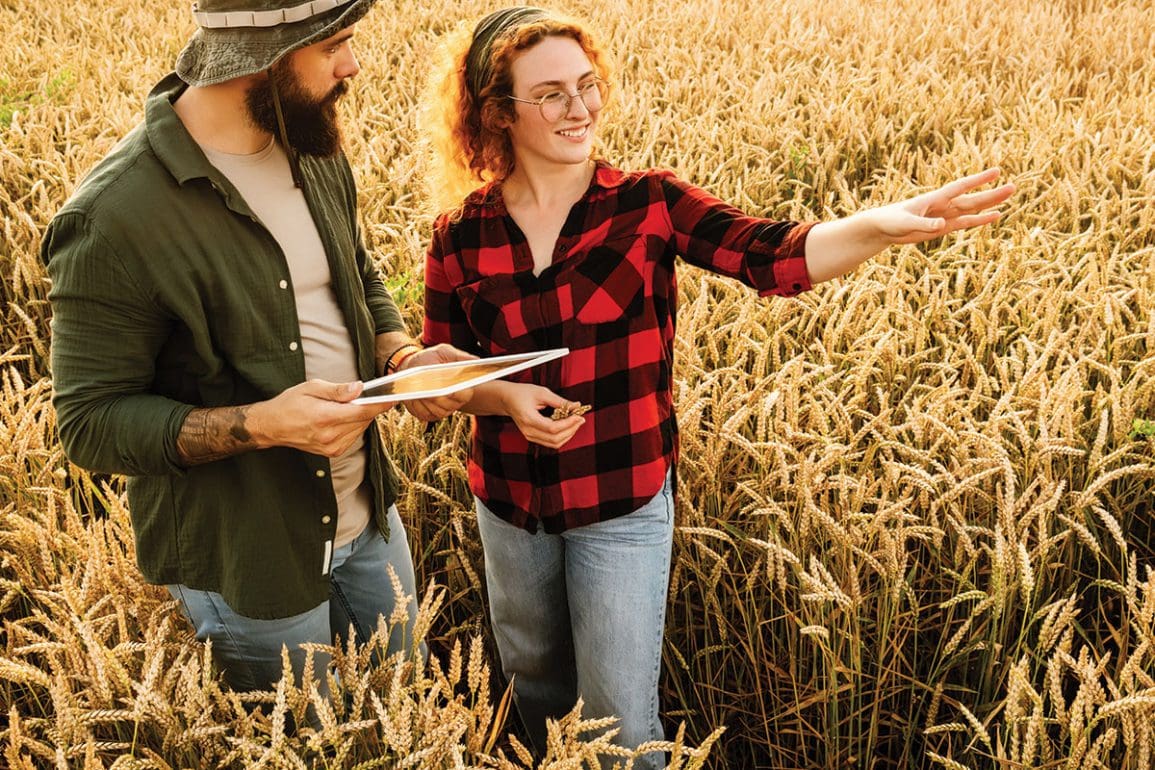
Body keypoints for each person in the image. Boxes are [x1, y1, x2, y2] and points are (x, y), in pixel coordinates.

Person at [419, 6, 1016, 768]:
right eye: (552, 94)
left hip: (620, 500)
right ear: (497, 113)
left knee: (622, 730)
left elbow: (769, 256)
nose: (580, 109)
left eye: (587, 85)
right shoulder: (459, 234)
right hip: (507, 503)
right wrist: (499, 399)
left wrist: (878, 226)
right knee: (532, 689)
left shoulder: (647, 204)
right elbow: (451, 370)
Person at [40, 0, 474, 701]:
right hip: (250, 554)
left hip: (367, 513)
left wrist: (400, 358)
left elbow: (354, 273)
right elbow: (90, 424)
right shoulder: (114, 216)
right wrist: (263, 425)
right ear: (264, 58)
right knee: (311, 742)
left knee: (409, 707)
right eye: (333, 45)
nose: (352, 65)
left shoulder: (308, 143)